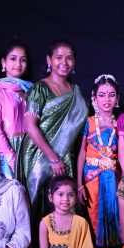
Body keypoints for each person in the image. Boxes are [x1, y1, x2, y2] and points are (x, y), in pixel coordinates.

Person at [17, 40, 87, 204]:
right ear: (49, 60)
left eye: (69, 58)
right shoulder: (39, 89)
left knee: (64, 203)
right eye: (59, 57)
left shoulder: (77, 92)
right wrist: (53, 158)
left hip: (66, 155)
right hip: (39, 156)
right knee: (41, 203)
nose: (64, 62)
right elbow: (30, 126)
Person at [76, 74, 123, 248]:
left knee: (113, 223)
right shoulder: (88, 122)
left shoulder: (121, 123)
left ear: (117, 98)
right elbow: (81, 154)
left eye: (111, 95)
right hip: (91, 181)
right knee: (94, 223)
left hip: (114, 180)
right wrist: (79, 184)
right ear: (94, 98)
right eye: (102, 95)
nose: (107, 99)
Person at [0, 41, 33, 178]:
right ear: (3, 62)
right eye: (13, 59)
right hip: (6, 153)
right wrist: (12, 158)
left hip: (31, 151)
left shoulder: (31, 90)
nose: (18, 64)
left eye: (23, 60)